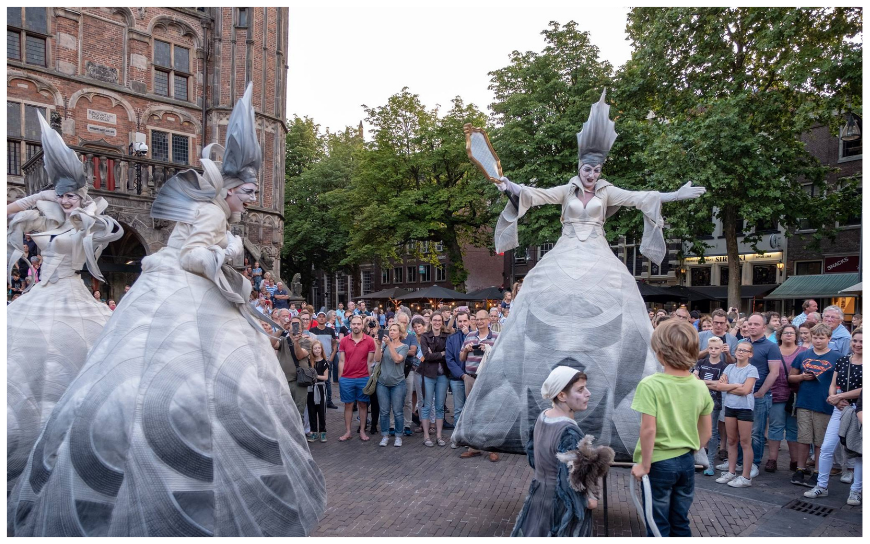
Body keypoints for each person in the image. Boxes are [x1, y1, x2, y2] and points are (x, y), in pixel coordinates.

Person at [7, 85, 326, 536]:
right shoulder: (212, 214)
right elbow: (194, 256)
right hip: (172, 289)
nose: (252, 199)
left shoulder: (208, 211)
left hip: (158, 289)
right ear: (230, 188)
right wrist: (229, 258)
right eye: (248, 191)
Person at [453, 92, 707, 460]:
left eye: (597, 171)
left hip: (597, 251)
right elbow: (534, 195)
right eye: (588, 170)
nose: (592, 175)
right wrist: (508, 186)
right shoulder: (567, 190)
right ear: (580, 167)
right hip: (566, 248)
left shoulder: (607, 192)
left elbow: (641, 197)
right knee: (534, 287)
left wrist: (675, 195)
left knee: (623, 292)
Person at [6, 113, 123, 496]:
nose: (65, 200)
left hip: (73, 294)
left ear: (81, 195)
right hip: (41, 295)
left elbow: (103, 234)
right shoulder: (44, 218)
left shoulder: (91, 221)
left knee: (77, 355)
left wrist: (82, 216)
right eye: (60, 195)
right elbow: (11, 212)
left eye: (71, 195)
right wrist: (35, 200)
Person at [631, 320, 713, 536]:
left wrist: (644, 465)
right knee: (680, 521)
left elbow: (648, 430)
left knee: (657, 524)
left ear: (660, 353)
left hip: (658, 463)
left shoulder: (650, 385)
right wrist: (688, 449)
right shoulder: (700, 386)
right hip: (686, 461)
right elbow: (707, 433)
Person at [511, 367, 597, 537]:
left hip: (538, 495)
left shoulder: (543, 416)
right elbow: (569, 481)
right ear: (562, 395)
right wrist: (588, 500)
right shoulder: (569, 432)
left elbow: (533, 456)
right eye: (580, 390)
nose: (588, 393)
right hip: (560, 507)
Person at [803, 328, 862, 501]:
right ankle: (821, 486)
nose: (858, 344)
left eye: (862, 342)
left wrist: (840, 396)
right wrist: (834, 398)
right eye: (855, 341)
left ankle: (856, 490)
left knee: (859, 452)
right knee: (827, 448)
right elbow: (833, 383)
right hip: (840, 409)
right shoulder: (843, 360)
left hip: (860, 410)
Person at [788, 323, 841, 488]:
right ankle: (800, 469)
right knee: (803, 438)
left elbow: (840, 381)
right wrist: (802, 377)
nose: (818, 341)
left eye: (821, 338)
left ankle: (819, 471)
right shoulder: (803, 355)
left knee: (820, 441)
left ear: (829, 338)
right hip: (804, 401)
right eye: (815, 337)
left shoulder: (837, 357)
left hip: (824, 403)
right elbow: (791, 377)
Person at [715, 340, 759, 488]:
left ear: (750, 354)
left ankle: (746, 477)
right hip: (730, 406)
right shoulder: (729, 367)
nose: (740, 352)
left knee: (745, 442)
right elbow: (719, 386)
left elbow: (745, 390)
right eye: (739, 349)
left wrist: (727, 387)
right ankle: (731, 472)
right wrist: (734, 386)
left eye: (744, 350)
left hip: (745, 408)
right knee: (731, 441)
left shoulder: (752, 370)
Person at [767, 324, 807, 473]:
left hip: (796, 396)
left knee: (793, 428)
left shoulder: (804, 351)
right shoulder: (773, 350)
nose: (789, 335)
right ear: (780, 335)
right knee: (775, 427)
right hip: (776, 394)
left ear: (796, 336)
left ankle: (795, 461)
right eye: (786, 333)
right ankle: (772, 460)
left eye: (791, 333)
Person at [694, 337, 728, 475]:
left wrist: (702, 382)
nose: (713, 351)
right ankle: (696, 460)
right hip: (698, 401)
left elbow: (720, 385)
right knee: (696, 429)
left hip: (715, 402)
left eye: (716, 348)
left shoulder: (724, 366)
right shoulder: (701, 362)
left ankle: (710, 463)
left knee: (712, 432)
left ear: (721, 349)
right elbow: (694, 379)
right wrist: (711, 383)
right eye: (710, 348)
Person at [338, 315, 375, 442]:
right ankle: (348, 431)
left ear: (362, 325)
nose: (356, 326)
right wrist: (340, 378)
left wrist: (370, 379)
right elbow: (341, 360)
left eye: (358, 324)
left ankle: (362, 431)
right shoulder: (344, 341)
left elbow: (370, 362)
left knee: (363, 404)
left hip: (363, 377)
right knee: (348, 405)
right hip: (347, 377)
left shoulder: (369, 341)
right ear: (350, 325)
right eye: (354, 324)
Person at [374, 323, 410, 447]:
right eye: (390, 330)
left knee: (398, 411)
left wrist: (389, 344)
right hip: (382, 382)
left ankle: (398, 436)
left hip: (398, 383)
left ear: (400, 333)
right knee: (384, 411)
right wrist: (379, 345)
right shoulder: (384, 345)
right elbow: (377, 359)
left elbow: (397, 359)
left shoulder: (404, 347)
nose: (392, 332)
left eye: (394, 330)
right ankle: (385, 435)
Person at [419, 313, 451, 447]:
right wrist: (441, 353)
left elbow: (449, 354)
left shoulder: (447, 336)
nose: (437, 322)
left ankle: (439, 436)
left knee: (439, 406)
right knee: (427, 405)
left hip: (443, 374)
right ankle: (426, 436)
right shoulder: (425, 336)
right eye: (435, 320)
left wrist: (435, 354)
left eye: (439, 320)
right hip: (428, 374)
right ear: (431, 321)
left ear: (442, 322)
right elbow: (426, 356)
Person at [306, 340, 330, 443]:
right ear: (312, 350)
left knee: (321, 411)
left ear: (321, 349)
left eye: (319, 348)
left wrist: (316, 376)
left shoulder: (324, 362)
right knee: (311, 411)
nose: (317, 350)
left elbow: (326, 377)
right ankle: (314, 432)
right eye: (315, 348)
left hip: (320, 388)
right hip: (310, 388)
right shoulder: (309, 361)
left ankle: (323, 432)